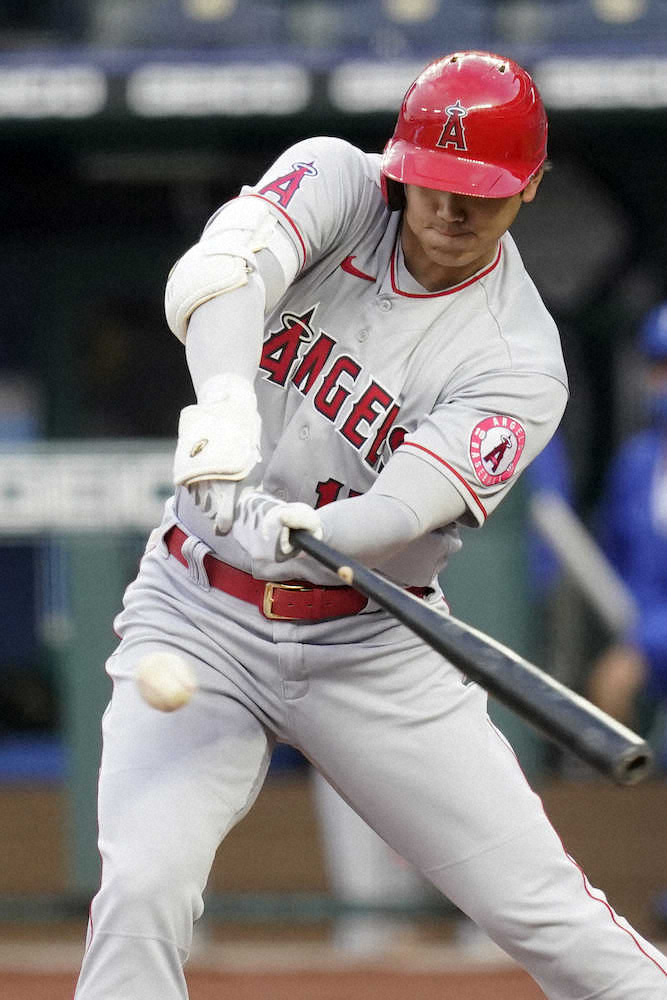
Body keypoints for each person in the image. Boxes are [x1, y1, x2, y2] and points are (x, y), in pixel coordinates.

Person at [74, 51, 667, 998]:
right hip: (195, 613)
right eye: (434, 181)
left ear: (529, 188)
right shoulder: (339, 183)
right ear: (399, 163)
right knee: (142, 887)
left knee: (547, 917)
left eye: (480, 192)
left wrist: (310, 530)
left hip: (369, 645)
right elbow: (219, 273)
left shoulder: (519, 358)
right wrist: (224, 412)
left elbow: (399, 510)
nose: (451, 210)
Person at [587, 303, 667, 746]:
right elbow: (614, 563)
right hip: (641, 648)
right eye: (660, 367)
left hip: (649, 646)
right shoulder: (636, 463)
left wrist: (645, 646)